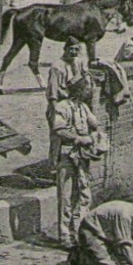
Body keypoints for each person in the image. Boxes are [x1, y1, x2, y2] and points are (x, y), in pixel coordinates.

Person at [50, 74, 100, 246]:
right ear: (79, 89)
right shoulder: (62, 107)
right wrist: (77, 139)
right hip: (67, 155)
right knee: (66, 197)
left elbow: (95, 124)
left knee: (83, 195)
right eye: (87, 88)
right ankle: (65, 237)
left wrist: (93, 136)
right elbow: (58, 129)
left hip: (82, 156)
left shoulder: (83, 107)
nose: (89, 91)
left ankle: (82, 233)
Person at [45, 37, 91, 169]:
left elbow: (86, 75)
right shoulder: (57, 67)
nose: (74, 52)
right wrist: (56, 112)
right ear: (65, 49)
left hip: (73, 105)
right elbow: (52, 92)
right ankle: (53, 168)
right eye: (71, 49)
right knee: (57, 138)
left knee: (74, 135)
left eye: (77, 49)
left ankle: (70, 166)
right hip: (59, 104)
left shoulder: (78, 62)